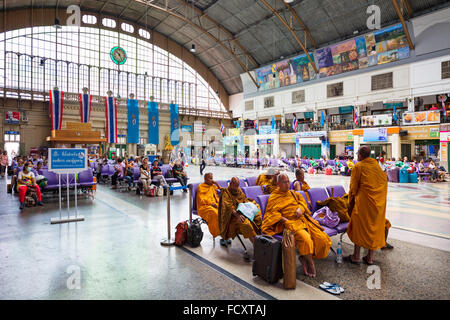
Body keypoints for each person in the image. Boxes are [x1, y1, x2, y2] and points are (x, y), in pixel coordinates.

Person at [262, 173, 331, 278]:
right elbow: (272, 213)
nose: (287, 184)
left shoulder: (294, 193)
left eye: (288, 181)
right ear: (278, 184)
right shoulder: (274, 196)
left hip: (303, 220)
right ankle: (310, 262)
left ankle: (304, 257)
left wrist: (301, 209)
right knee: (306, 239)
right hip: (290, 223)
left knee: (323, 239)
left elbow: (303, 203)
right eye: (284, 182)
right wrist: (285, 220)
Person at [345, 146, 392, 265]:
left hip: (364, 204)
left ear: (360, 155)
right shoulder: (377, 166)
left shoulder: (358, 167)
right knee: (374, 228)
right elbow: (384, 183)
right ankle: (369, 258)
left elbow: (353, 188)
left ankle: (356, 256)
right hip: (377, 205)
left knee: (359, 227)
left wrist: (350, 203)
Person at [218, 177, 262, 247]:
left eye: (237, 185)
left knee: (257, 216)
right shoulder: (226, 193)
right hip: (231, 217)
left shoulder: (238, 190)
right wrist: (238, 215)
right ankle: (256, 246)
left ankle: (259, 239)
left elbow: (244, 200)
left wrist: (248, 210)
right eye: (235, 185)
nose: (236, 188)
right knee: (245, 223)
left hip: (242, 212)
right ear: (231, 184)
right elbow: (229, 207)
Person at [196, 173, 222, 239]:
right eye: (210, 178)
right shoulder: (201, 187)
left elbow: (222, 191)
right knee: (215, 213)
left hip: (215, 205)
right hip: (204, 207)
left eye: (212, 178)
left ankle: (225, 231)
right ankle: (219, 233)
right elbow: (202, 200)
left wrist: (216, 183)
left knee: (225, 211)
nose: (212, 180)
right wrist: (211, 204)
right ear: (205, 179)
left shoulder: (212, 186)